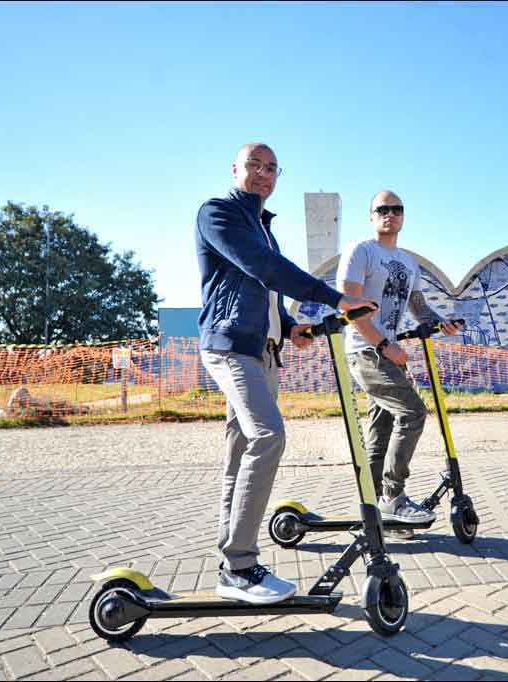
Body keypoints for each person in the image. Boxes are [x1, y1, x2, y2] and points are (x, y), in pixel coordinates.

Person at [196, 142, 375, 604]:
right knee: (269, 436)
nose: (262, 174)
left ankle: (230, 565)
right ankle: (240, 565)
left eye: (271, 168)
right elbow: (262, 268)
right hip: (230, 346)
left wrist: (293, 326)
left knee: (240, 452)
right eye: (254, 165)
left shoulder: (262, 227)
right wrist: (336, 298)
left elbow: (264, 288)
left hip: (263, 350)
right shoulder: (218, 213)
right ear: (235, 169)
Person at [336, 190, 462, 539]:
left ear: (403, 216)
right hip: (366, 350)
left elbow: (418, 307)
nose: (389, 214)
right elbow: (350, 307)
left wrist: (441, 322)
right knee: (413, 413)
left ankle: (375, 511)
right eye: (382, 209)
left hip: (387, 352)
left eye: (396, 209)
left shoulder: (408, 262)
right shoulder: (361, 251)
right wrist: (384, 344)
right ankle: (393, 494)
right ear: (371, 215)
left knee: (382, 432)